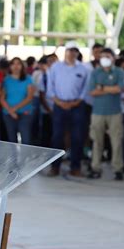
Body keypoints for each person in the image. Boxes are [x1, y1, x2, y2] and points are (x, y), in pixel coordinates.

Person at [46, 44, 89, 177]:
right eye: (70, 50)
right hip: (59, 105)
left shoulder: (83, 68)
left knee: (77, 137)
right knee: (57, 137)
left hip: (77, 106)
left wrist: (77, 101)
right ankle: (55, 167)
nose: (72, 53)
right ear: (65, 52)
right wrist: (58, 102)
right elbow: (50, 86)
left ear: (77, 53)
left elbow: (85, 88)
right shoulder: (55, 67)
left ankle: (75, 167)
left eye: (75, 51)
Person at [88, 48, 124, 180]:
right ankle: (95, 168)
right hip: (98, 112)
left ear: (113, 58)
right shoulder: (95, 72)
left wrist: (101, 87)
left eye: (107, 56)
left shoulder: (119, 72)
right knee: (96, 141)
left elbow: (119, 89)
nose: (104, 58)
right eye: (102, 56)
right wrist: (110, 88)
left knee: (116, 141)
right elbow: (92, 91)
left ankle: (118, 169)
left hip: (115, 112)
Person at [0, 57, 35, 144]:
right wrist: (11, 111)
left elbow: (29, 97)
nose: (16, 66)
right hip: (8, 114)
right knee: (12, 142)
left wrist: (14, 109)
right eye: (13, 64)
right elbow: (2, 98)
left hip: (25, 113)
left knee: (26, 141)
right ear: (10, 66)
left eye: (18, 63)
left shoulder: (28, 79)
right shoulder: (6, 80)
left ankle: (26, 158)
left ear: (22, 66)